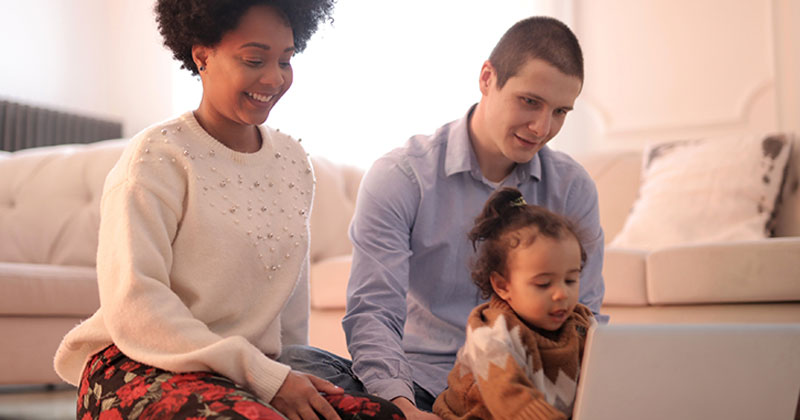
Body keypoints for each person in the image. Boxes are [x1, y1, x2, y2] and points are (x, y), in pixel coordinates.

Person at [52, 1, 404, 419]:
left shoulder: (293, 161)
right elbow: (135, 305)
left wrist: (284, 375)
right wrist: (259, 373)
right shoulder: (156, 159)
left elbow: (288, 308)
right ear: (202, 56)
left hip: (245, 372)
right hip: (138, 363)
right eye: (255, 59)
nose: (274, 78)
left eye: (286, 60)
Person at [279, 16, 605, 420]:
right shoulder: (402, 176)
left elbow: (586, 315)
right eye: (530, 101)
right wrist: (402, 408)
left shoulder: (572, 187)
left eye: (560, 111)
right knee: (293, 363)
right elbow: (374, 312)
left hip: (523, 396)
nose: (542, 127)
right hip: (419, 387)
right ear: (487, 78)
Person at [432, 187, 595, 420]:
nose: (561, 294)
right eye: (543, 284)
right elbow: (512, 402)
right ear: (503, 286)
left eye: (571, 280)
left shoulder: (581, 324)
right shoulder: (491, 335)